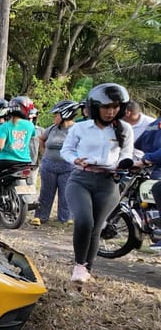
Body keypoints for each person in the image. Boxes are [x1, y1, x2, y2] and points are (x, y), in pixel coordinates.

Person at [61, 83, 134, 282]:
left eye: (115, 107)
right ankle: (78, 264)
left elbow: (127, 153)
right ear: (95, 107)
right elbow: (66, 150)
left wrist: (124, 162)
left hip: (108, 182)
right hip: (80, 179)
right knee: (84, 221)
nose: (111, 111)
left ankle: (86, 269)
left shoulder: (125, 129)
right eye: (106, 107)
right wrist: (74, 159)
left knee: (96, 227)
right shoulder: (80, 127)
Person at [0, 96, 37, 206]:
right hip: (24, 161)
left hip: (6, 160)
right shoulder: (30, 125)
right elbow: (31, 138)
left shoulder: (5, 126)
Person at [30, 100, 80, 225]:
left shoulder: (77, 129)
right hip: (49, 165)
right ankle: (40, 217)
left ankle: (66, 218)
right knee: (45, 192)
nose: (54, 117)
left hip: (68, 167)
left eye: (56, 114)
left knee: (66, 193)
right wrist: (44, 154)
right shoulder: (52, 129)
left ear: (65, 114)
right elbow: (41, 139)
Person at [134, 116, 161, 249]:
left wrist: (146, 159)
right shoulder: (155, 123)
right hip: (154, 164)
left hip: (157, 166)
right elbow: (139, 143)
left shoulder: (155, 123)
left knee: (158, 189)